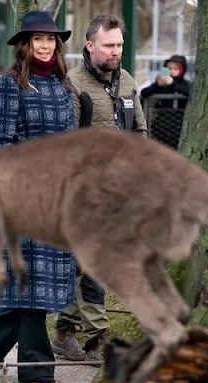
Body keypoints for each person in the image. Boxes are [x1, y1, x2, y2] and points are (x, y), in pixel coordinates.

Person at [0, 10, 77, 383]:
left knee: (49, 281)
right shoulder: (10, 83)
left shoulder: (64, 88)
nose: (46, 46)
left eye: (51, 40)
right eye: (38, 39)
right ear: (25, 45)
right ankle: (36, 366)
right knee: (32, 280)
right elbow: (1, 143)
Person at [52, 13, 148, 363]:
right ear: (90, 45)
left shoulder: (128, 83)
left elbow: (140, 131)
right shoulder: (72, 84)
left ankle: (65, 332)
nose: (115, 51)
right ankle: (96, 336)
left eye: (120, 45)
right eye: (109, 45)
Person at [140, 54, 191, 150]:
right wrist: (157, 85)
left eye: (175, 69)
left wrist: (172, 84)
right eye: (169, 68)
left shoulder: (185, 83)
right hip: (162, 125)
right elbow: (144, 93)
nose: (171, 71)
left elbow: (188, 91)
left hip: (178, 124)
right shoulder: (162, 84)